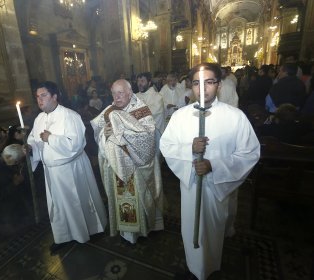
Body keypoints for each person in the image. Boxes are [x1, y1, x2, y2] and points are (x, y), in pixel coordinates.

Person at [160, 63, 260, 280]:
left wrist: (213, 164)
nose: (202, 88)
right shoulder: (180, 117)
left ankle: (211, 268)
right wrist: (189, 149)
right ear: (190, 85)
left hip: (218, 186)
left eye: (209, 82)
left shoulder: (235, 117)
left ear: (219, 85)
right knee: (190, 228)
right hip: (190, 186)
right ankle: (194, 267)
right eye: (196, 83)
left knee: (213, 230)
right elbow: (166, 146)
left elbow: (249, 153)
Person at [27, 81, 107, 254]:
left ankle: (89, 230)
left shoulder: (70, 116)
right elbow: (33, 139)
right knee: (58, 205)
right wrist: (29, 148)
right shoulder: (39, 118)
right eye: (37, 97)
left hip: (70, 169)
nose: (39, 100)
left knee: (77, 202)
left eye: (43, 95)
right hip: (51, 171)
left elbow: (76, 144)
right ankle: (63, 236)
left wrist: (51, 138)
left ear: (55, 96)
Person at [91, 79, 164, 244]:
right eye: (113, 93)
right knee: (123, 200)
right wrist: (106, 134)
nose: (116, 97)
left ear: (130, 93)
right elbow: (98, 135)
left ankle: (144, 228)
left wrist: (121, 132)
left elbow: (147, 137)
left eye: (120, 93)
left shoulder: (141, 111)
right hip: (117, 166)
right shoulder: (109, 111)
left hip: (136, 167)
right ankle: (128, 233)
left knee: (139, 197)